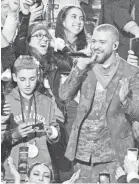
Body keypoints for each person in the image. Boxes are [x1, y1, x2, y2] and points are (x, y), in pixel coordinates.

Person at [59, 24, 139, 183]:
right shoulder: (84, 66)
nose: (95, 46)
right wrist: (80, 67)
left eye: (102, 42)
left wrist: (125, 101)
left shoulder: (130, 71)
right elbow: (63, 96)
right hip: (83, 153)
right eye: (93, 41)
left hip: (114, 154)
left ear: (115, 45)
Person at [3, 55, 60, 181]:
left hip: (41, 172)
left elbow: (55, 130)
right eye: (22, 79)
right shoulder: (6, 102)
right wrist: (14, 135)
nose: (27, 84)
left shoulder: (47, 101)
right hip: (13, 170)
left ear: (38, 77)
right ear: (14, 77)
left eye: (32, 78)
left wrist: (53, 133)